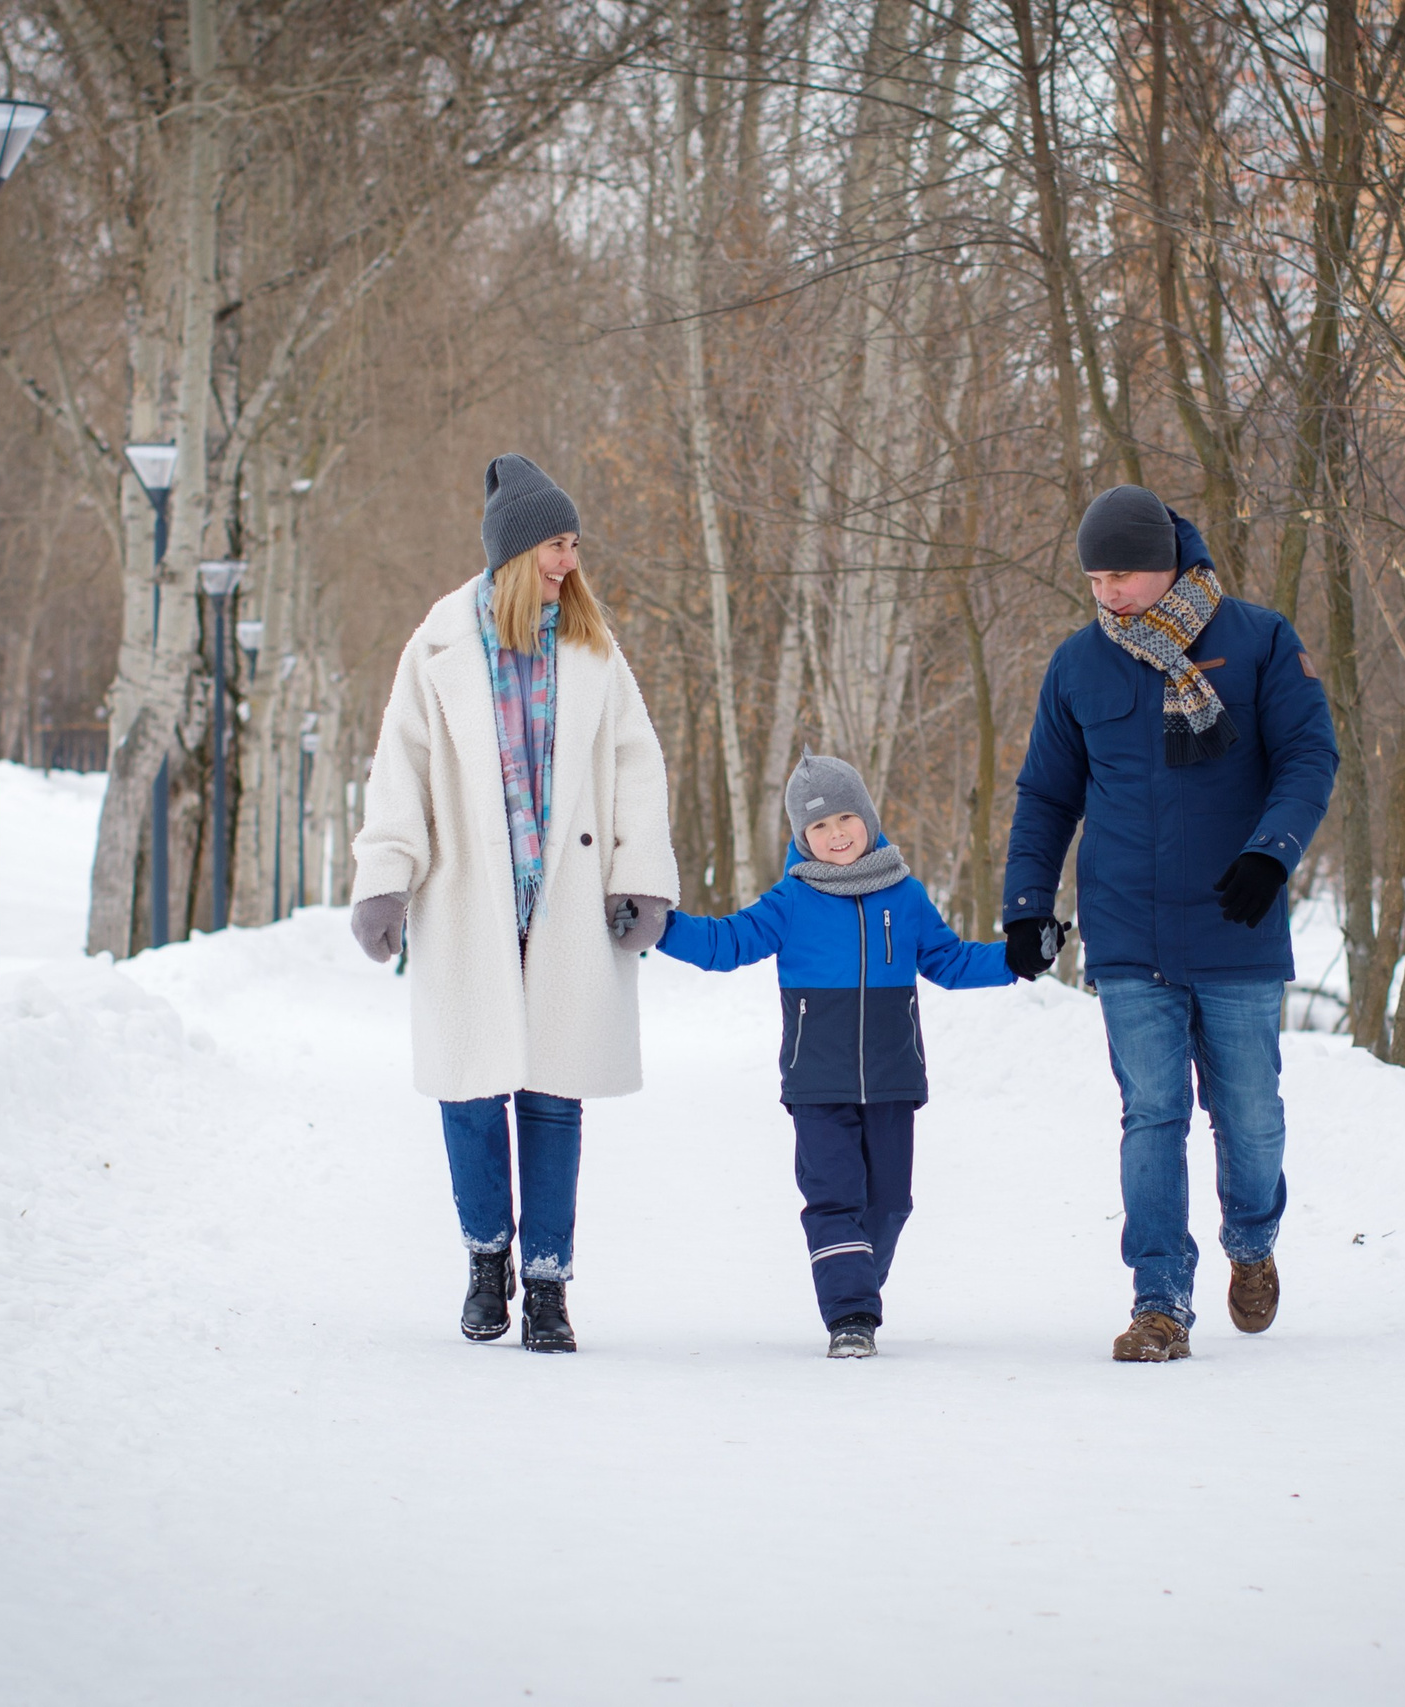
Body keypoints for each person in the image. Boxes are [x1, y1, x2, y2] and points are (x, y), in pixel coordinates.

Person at [1000, 485, 1338, 1363]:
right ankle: (1160, 1299)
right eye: (1094, 578)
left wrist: (1274, 852)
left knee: (1250, 1113)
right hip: (1128, 936)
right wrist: (1029, 904)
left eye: (1120, 574)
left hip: (1237, 922)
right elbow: (1046, 795)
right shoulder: (1079, 664)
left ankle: (1253, 1242)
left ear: (1169, 565)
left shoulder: (1259, 641)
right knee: (1152, 1112)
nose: (1106, 592)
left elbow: (1309, 756)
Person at [349, 453, 678, 1354]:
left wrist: (639, 873)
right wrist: (385, 876)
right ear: (513, 554)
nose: (571, 561)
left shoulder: (593, 646)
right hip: (469, 898)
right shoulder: (438, 648)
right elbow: (401, 767)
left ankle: (548, 1284)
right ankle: (487, 1259)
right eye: (557, 545)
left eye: (573, 544)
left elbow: (633, 764)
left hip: (565, 902)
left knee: (554, 1094)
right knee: (468, 1089)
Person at [653, 754, 1027, 1358]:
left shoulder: (904, 895)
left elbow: (951, 962)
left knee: (890, 1203)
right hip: (817, 1082)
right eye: (819, 827)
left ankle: (854, 1283)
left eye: (846, 817)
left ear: (868, 817)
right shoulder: (791, 899)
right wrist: (662, 928)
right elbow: (727, 942)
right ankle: (850, 1313)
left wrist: (1017, 959)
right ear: (802, 836)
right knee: (834, 1199)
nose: (836, 835)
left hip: (891, 1078)